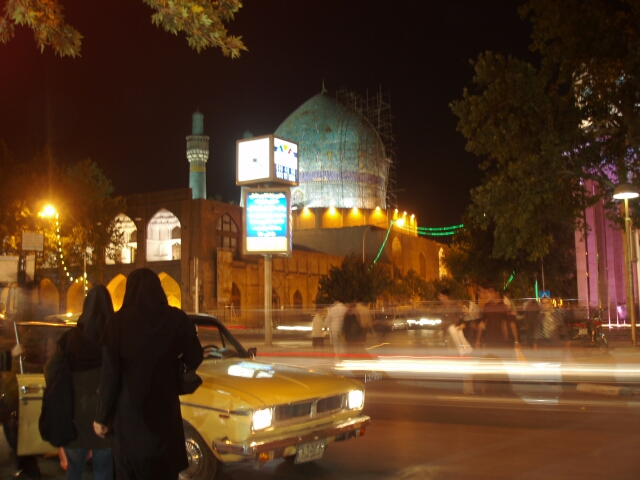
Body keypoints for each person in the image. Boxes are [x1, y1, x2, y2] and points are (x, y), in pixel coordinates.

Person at [94, 268, 204, 480]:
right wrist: (173, 366)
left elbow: (110, 376)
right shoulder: (176, 319)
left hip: (129, 418)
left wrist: (101, 417)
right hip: (164, 414)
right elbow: (195, 356)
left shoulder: (117, 324)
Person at [44, 285, 114, 480]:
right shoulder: (113, 339)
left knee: (74, 470)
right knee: (103, 472)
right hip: (104, 418)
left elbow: (50, 369)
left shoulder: (70, 339)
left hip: (75, 416)